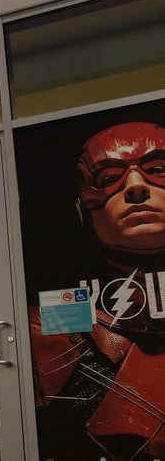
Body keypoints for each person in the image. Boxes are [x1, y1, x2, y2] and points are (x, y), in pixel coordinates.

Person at [30, 121, 165, 459]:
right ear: (83, 211)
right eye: (108, 179)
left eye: (157, 170)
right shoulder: (61, 321)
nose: (135, 186)